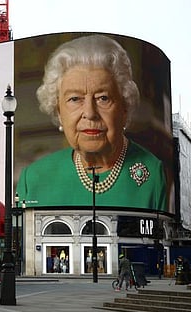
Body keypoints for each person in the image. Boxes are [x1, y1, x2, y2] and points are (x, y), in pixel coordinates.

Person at [16, 34, 167, 211]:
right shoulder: (33, 178)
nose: (90, 113)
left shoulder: (153, 174)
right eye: (75, 99)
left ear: (124, 107)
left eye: (103, 98)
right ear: (58, 111)